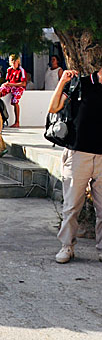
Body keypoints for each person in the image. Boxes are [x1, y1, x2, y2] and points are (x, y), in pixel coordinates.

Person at [49, 66, 102, 264]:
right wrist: (63, 81)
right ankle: (67, 246)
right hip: (79, 154)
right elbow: (54, 107)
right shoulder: (81, 84)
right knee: (71, 207)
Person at [0, 54, 27, 128]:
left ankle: (17, 122)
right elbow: (8, 80)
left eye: (15, 61)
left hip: (18, 87)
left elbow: (23, 83)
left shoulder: (21, 70)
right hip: (11, 86)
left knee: (15, 101)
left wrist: (11, 84)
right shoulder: (9, 70)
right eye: (12, 61)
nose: (14, 63)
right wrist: (6, 84)